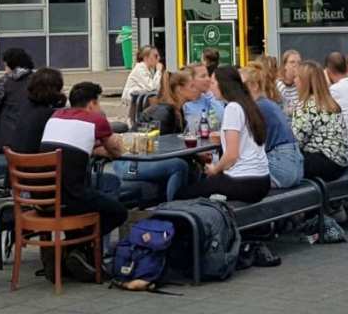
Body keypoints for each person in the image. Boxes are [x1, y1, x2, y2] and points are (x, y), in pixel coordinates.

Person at [39, 81, 128, 278]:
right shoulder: (97, 120)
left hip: (41, 197)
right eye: (99, 103)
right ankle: (79, 248)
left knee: (97, 191)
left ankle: (76, 252)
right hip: (70, 197)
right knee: (118, 212)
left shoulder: (56, 116)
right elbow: (116, 152)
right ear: (92, 104)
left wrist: (92, 147)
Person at [181, 65, 270, 202]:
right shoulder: (249, 104)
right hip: (263, 180)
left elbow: (232, 156)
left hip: (243, 181)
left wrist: (214, 170)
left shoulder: (232, 108)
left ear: (224, 84)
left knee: (184, 195)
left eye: (213, 82)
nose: (210, 87)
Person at [114, 69, 197, 200]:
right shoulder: (164, 112)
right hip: (130, 162)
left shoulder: (177, 110)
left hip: (138, 159)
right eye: (192, 86)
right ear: (179, 89)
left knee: (190, 165)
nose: (196, 89)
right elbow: (159, 148)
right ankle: (173, 208)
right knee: (179, 165)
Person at [242, 61, 303, 189]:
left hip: (280, 168)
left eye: (241, 85)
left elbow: (247, 146)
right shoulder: (269, 104)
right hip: (295, 167)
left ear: (253, 86)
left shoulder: (258, 108)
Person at [290, 60, 348, 182]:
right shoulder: (329, 102)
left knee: (283, 161)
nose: (294, 80)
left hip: (324, 164)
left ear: (305, 81)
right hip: (341, 163)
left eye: (297, 77)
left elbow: (296, 141)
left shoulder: (306, 106)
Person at [0, 47, 35, 153]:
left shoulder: (5, 81)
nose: (5, 70)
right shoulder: (37, 80)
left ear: (11, 65)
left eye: (5, 66)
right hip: (32, 138)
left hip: (8, 141)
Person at [121, 45, 161, 117]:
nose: (158, 58)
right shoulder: (140, 69)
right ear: (146, 58)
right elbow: (152, 87)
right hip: (133, 104)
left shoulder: (148, 69)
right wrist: (158, 71)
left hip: (139, 103)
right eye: (156, 56)